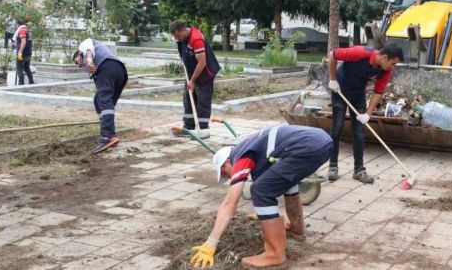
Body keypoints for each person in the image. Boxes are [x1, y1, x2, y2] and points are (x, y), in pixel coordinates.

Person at [190, 124, 333, 269]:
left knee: (260, 190)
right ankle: (297, 229)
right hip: (321, 141)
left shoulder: (240, 156)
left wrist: (210, 244)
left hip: (306, 145)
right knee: (285, 182)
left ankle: (275, 255)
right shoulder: (252, 148)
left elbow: (229, 204)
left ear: (226, 163)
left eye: (226, 174)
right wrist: (264, 214)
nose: (230, 177)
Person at [326, 44, 403, 184]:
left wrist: (367, 114)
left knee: (359, 132)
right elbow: (333, 55)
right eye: (393, 63)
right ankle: (332, 167)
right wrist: (332, 79)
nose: (393, 67)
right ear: (385, 57)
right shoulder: (360, 53)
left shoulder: (386, 70)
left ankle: (359, 170)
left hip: (358, 94)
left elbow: (378, 92)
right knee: (337, 128)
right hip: (340, 90)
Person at [73, 39, 128, 154]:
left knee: (104, 101)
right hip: (120, 72)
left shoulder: (84, 46)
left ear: (79, 53)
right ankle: (106, 129)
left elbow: (88, 47)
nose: (78, 66)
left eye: (76, 61)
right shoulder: (92, 68)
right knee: (99, 100)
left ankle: (107, 136)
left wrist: (88, 60)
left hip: (107, 67)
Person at [168, 21, 220, 139]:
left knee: (202, 101)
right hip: (192, 74)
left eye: (177, 36)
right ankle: (189, 127)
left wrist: (192, 80)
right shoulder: (183, 39)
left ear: (181, 30)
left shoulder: (196, 39)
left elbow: (202, 62)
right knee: (188, 99)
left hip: (204, 75)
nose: (177, 39)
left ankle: (203, 130)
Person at [14, 19, 34, 85]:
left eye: (15, 24)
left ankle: (21, 84)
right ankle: (31, 82)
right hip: (28, 52)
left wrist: (20, 52)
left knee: (19, 68)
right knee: (27, 68)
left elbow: (24, 41)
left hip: (22, 53)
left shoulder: (22, 30)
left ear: (18, 24)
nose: (15, 26)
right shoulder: (28, 30)